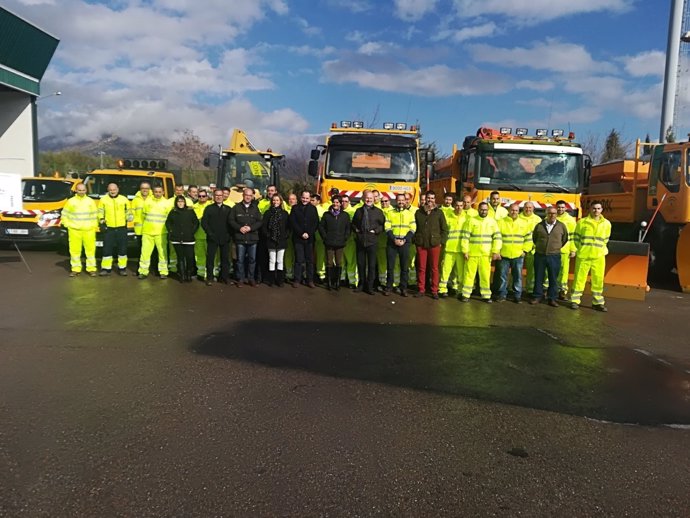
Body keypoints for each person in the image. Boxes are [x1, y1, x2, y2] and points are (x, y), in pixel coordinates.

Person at [570, 202, 612, 312]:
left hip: (599, 256)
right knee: (579, 279)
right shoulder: (582, 222)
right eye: (594, 208)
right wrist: (579, 249)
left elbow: (606, 239)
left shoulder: (607, 224)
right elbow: (576, 238)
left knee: (598, 280)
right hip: (584, 255)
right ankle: (575, 301)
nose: (596, 211)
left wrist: (600, 250)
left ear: (602, 210)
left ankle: (598, 303)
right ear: (590, 209)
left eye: (598, 208)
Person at [460, 202, 502, 303]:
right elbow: (465, 237)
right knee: (469, 275)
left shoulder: (492, 222)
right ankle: (465, 294)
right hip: (472, 254)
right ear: (478, 210)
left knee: (485, 276)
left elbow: (497, 237)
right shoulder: (471, 220)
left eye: (485, 210)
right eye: (482, 209)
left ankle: (486, 296)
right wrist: (465, 250)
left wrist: (495, 251)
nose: (484, 211)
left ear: (488, 210)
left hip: (486, 254)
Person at [530, 207, 569, 306]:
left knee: (553, 278)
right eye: (550, 213)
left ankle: (552, 298)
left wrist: (555, 248)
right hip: (540, 255)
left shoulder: (561, 226)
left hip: (554, 256)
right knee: (538, 277)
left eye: (554, 213)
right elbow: (535, 238)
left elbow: (564, 239)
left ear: (557, 214)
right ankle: (537, 296)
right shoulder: (539, 226)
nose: (552, 215)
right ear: (546, 214)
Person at [414, 190, 448, 299]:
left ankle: (434, 290)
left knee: (434, 268)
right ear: (425, 199)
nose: (430, 200)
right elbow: (415, 228)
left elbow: (444, 229)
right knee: (421, 268)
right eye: (428, 198)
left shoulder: (439, 213)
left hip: (434, 244)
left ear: (435, 200)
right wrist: (416, 241)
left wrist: (441, 242)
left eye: (432, 198)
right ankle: (421, 289)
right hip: (421, 244)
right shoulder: (418, 212)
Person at [494, 204, 531, 303]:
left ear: (519, 211)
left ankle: (517, 295)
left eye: (516, 210)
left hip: (518, 254)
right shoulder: (500, 222)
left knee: (518, 276)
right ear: (508, 211)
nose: (514, 212)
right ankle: (502, 294)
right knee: (502, 276)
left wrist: (525, 250)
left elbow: (528, 238)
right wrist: (497, 251)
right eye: (512, 210)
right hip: (503, 254)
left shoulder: (524, 223)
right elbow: (496, 238)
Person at [352, 190, 385, 295]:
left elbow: (382, 225)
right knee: (361, 264)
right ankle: (361, 284)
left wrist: (375, 231)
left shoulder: (378, 212)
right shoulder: (358, 211)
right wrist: (356, 230)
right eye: (367, 198)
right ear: (363, 198)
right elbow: (353, 224)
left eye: (371, 198)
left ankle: (370, 286)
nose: (369, 200)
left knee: (371, 265)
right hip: (361, 241)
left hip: (372, 241)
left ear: (374, 199)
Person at [62, 182, 99, 277]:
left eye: (83, 190)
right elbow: (64, 214)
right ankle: (75, 269)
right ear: (76, 190)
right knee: (74, 251)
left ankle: (91, 269)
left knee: (90, 251)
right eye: (79, 190)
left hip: (88, 230)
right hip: (74, 230)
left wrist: (94, 226)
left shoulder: (90, 201)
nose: (81, 192)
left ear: (86, 190)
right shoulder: (71, 201)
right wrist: (67, 224)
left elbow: (95, 215)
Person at [384, 193, 416, 297]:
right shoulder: (390, 213)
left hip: (405, 243)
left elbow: (413, 228)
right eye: (399, 200)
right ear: (396, 201)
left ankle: (403, 288)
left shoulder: (410, 214)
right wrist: (394, 239)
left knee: (404, 267)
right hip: (392, 243)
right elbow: (387, 227)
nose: (401, 202)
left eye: (403, 200)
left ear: (406, 201)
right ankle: (389, 287)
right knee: (390, 267)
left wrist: (405, 239)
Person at [229, 187, 263, 287]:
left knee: (252, 260)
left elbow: (259, 221)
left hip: (252, 238)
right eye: (246, 195)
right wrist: (239, 228)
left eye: (250, 195)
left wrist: (250, 228)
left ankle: (251, 278)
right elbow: (231, 220)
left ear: (252, 197)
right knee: (240, 260)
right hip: (240, 238)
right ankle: (240, 279)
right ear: (243, 195)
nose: (248, 197)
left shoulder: (255, 208)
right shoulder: (236, 208)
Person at [98, 182, 132, 276]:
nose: (112, 191)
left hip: (121, 228)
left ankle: (122, 268)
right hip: (109, 228)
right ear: (108, 190)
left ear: (118, 189)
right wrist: (101, 219)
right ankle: (106, 268)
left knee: (122, 249)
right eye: (110, 190)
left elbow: (128, 211)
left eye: (114, 189)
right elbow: (100, 211)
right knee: (107, 249)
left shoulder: (124, 199)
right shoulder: (103, 200)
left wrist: (129, 217)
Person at [138, 186, 172, 280]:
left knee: (162, 253)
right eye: (156, 192)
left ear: (163, 192)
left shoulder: (167, 203)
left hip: (161, 232)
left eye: (159, 192)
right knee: (145, 253)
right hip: (147, 232)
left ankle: (163, 272)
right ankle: (143, 271)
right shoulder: (148, 201)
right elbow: (143, 215)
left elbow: (169, 218)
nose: (158, 193)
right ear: (153, 192)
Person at [318, 195, 351, 290]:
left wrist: (345, 238)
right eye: (334, 202)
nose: (335, 204)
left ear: (340, 204)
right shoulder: (326, 215)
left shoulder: (345, 215)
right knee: (329, 262)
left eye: (337, 202)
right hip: (329, 242)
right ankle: (329, 282)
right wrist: (325, 237)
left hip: (340, 243)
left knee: (339, 262)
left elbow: (348, 228)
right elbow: (321, 227)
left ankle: (337, 282)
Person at [201, 189, 233, 286]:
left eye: (220, 195)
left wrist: (229, 235)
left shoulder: (228, 209)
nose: (218, 197)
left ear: (223, 196)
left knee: (225, 259)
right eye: (216, 195)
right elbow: (204, 223)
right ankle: (210, 278)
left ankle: (225, 277)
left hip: (225, 238)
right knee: (210, 258)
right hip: (212, 238)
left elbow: (231, 223)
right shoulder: (209, 208)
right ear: (214, 197)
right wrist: (210, 234)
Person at [289, 190, 320, 288]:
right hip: (298, 238)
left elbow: (316, 223)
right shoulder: (295, 208)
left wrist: (309, 233)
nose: (305, 200)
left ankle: (310, 280)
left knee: (310, 260)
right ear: (300, 197)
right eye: (303, 198)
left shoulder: (313, 209)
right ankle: (297, 279)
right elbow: (293, 222)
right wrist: (301, 233)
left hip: (310, 239)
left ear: (310, 198)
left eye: (307, 198)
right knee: (299, 260)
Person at [166, 195, 199, 282]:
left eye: (182, 201)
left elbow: (196, 222)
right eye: (179, 201)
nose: (180, 203)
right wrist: (171, 231)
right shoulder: (173, 211)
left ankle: (189, 274)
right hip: (177, 238)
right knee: (180, 257)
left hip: (188, 238)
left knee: (189, 257)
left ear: (185, 202)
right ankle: (182, 275)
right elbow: (168, 223)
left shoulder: (190, 211)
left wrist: (192, 232)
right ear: (176, 203)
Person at [438, 198, 468, 298]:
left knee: (460, 272)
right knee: (445, 270)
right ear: (454, 206)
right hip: (449, 248)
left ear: (463, 206)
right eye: (457, 205)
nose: (459, 208)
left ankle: (459, 290)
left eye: (461, 206)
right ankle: (442, 289)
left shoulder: (467, 218)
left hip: (460, 250)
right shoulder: (448, 217)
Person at [261, 193, 290, 287]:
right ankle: (271, 280)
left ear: (281, 201)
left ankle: (280, 280)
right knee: (272, 260)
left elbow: (288, 227)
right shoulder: (268, 213)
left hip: (281, 240)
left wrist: (285, 236)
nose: (275, 202)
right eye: (274, 200)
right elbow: (264, 227)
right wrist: (268, 235)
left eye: (277, 200)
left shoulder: (285, 214)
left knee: (280, 260)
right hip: (271, 240)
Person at [555, 200, 577, 299]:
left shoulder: (570, 220)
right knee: (549, 271)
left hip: (565, 250)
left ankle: (562, 291)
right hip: (552, 250)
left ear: (566, 208)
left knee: (563, 272)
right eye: (559, 207)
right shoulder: (550, 217)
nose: (561, 209)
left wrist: (573, 249)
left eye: (563, 207)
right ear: (556, 207)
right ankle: (547, 289)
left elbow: (573, 236)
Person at [520, 201, 543, 295]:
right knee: (517, 270)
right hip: (520, 249)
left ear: (533, 209)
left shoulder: (538, 219)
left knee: (532, 271)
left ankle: (530, 289)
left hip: (533, 249)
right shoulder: (518, 218)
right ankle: (513, 288)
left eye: (530, 208)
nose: (528, 209)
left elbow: (540, 234)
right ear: (523, 208)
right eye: (526, 207)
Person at [340, 194, 359, 289]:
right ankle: (342, 279)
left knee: (351, 261)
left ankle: (352, 281)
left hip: (350, 240)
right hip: (339, 241)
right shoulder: (337, 212)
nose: (344, 203)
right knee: (341, 261)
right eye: (342, 201)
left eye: (346, 201)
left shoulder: (353, 212)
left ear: (349, 202)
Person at [193, 189, 211, 281]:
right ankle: (200, 273)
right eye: (199, 196)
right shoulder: (194, 207)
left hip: (209, 235)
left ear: (207, 197)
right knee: (199, 255)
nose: (201, 198)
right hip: (198, 235)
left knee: (212, 256)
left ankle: (212, 273)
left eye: (203, 196)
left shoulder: (210, 206)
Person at [131, 181, 151, 247]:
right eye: (143, 188)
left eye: (147, 188)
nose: (145, 190)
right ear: (140, 189)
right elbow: (132, 212)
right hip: (139, 229)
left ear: (149, 189)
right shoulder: (135, 200)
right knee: (140, 247)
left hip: (150, 228)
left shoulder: (153, 198)